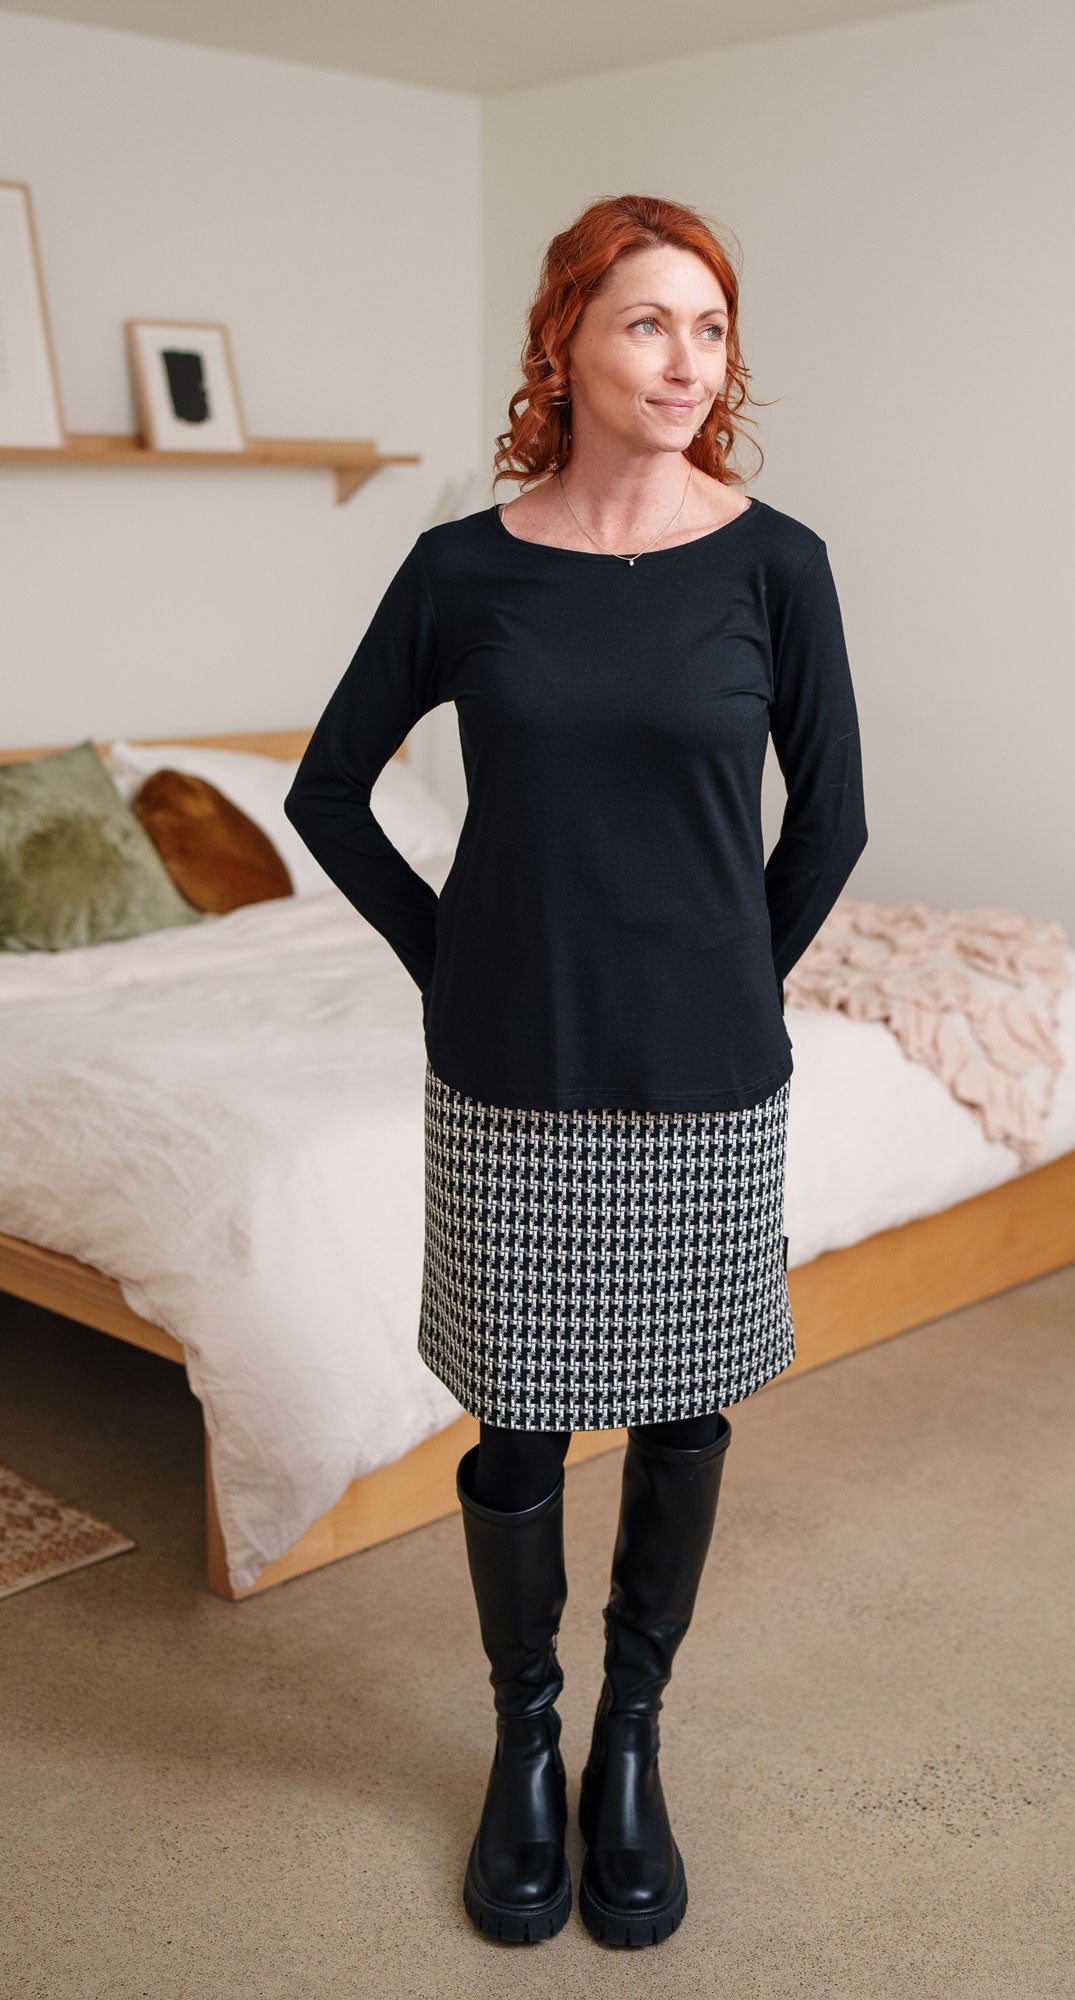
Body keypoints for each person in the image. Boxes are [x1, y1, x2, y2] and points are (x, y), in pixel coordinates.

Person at [284, 192, 868, 1950]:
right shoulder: (465, 570)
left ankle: (631, 1739)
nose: (685, 361)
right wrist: (449, 954)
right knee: (520, 1422)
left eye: (709, 327)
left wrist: (721, 983)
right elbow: (328, 792)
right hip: (510, 1065)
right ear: (564, 344)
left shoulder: (778, 564)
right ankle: (523, 1744)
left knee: (686, 1410)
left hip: (706, 1077)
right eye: (645, 324)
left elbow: (830, 823)